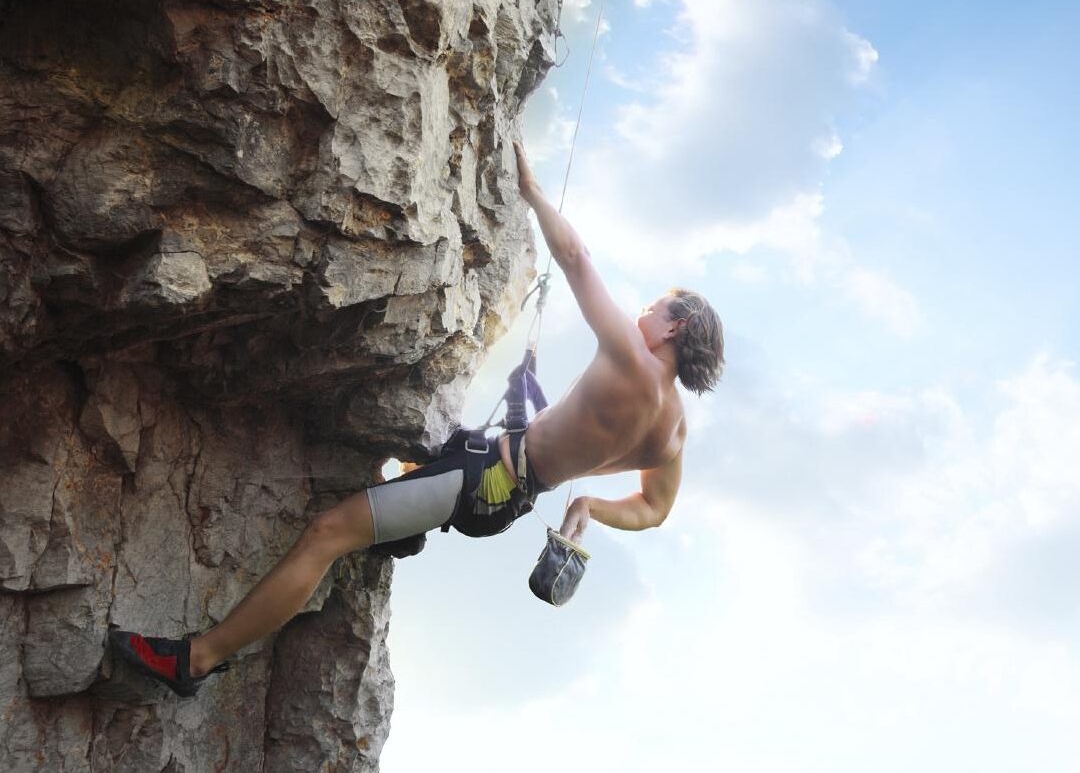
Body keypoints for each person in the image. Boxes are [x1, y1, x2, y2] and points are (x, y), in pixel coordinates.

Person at [113, 138, 725, 697]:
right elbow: (655, 511)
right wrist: (589, 507)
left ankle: (195, 660)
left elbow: (575, 256)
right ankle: (401, 525)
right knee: (403, 475)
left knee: (327, 534)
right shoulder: (673, 434)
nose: (642, 314)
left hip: (482, 480)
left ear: (677, 326)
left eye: (653, 308)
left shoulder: (632, 362)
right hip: (504, 490)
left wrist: (534, 191)